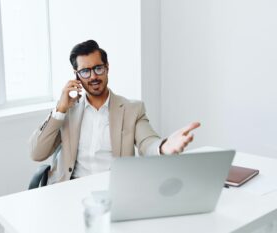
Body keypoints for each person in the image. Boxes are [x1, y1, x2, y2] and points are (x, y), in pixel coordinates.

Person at [29, 40, 200, 184]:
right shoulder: (68, 111)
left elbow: (148, 142)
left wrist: (163, 147)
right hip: (71, 189)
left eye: (98, 68)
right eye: (85, 71)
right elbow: (37, 153)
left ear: (107, 68)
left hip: (114, 190)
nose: (93, 76)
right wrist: (60, 109)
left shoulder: (132, 109)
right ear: (77, 75)